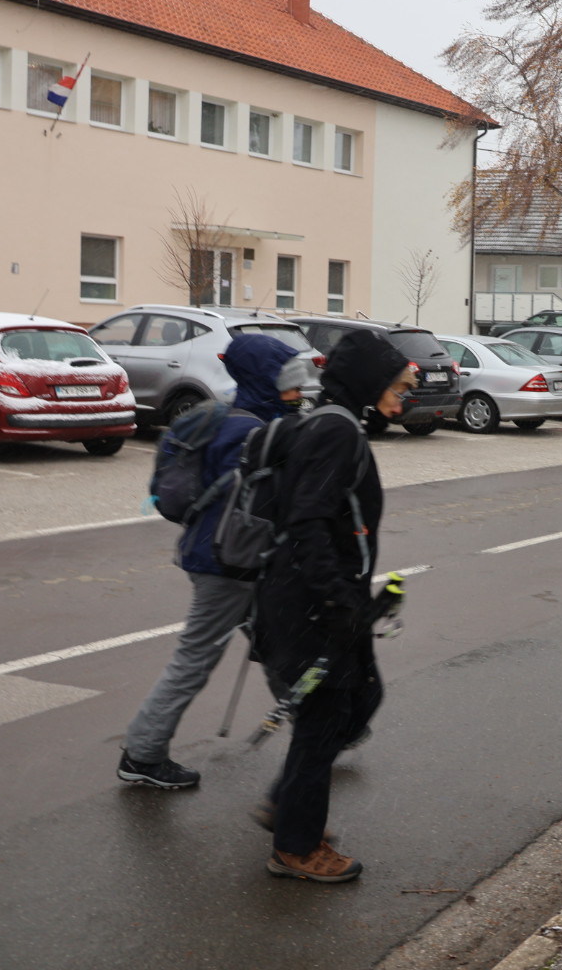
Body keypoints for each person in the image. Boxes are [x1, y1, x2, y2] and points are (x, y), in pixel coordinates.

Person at [252, 328, 413, 883]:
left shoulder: (337, 423)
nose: (405, 392)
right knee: (323, 722)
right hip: (309, 605)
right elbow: (308, 522)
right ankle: (295, 846)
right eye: (398, 383)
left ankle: (288, 806)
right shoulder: (336, 432)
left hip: (322, 599)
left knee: (361, 696)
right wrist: (339, 603)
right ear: (370, 382)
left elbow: (334, 522)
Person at [116, 335, 309, 790]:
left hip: (230, 558)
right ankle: (141, 755)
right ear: (265, 380)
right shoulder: (251, 431)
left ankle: (323, 729)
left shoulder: (228, 417)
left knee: (280, 647)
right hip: (230, 565)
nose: (298, 392)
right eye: (290, 383)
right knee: (196, 659)